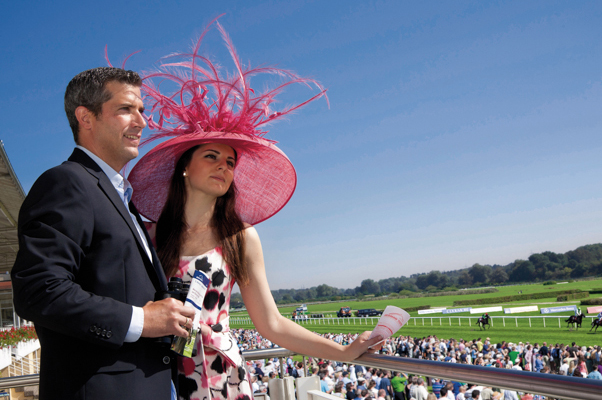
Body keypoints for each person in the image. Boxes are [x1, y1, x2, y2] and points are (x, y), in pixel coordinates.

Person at [128, 19, 381, 400]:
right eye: (211, 156)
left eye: (230, 162)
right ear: (184, 166)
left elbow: (273, 323)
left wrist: (342, 352)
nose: (223, 167)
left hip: (223, 385)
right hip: (158, 381)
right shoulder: (148, 236)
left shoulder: (240, 237)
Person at [11, 67, 197, 400]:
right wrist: (141, 319)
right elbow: (38, 291)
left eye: (142, 110)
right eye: (126, 109)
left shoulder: (121, 198)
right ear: (86, 117)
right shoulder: (66, 183)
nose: (141, 122)